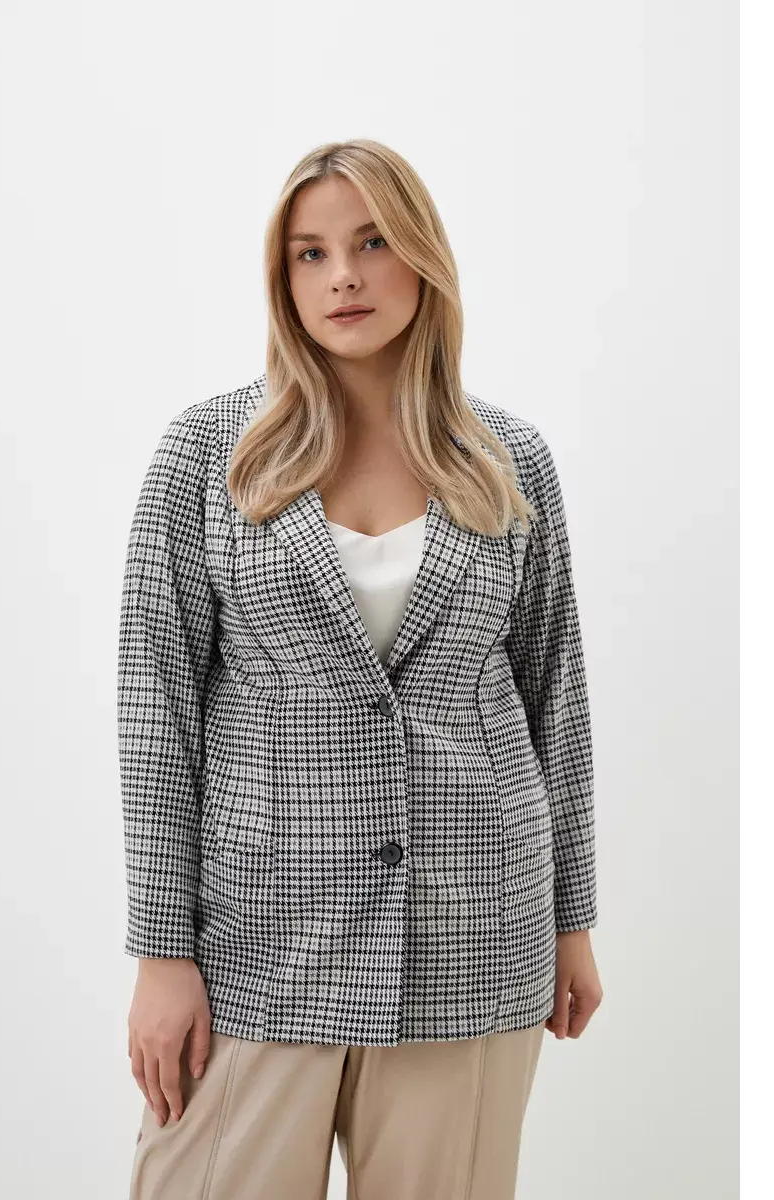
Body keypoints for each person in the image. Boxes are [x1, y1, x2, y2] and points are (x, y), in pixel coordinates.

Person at [118, 138, 603, 1200]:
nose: (343, 275)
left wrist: (572, 920)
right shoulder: (207, 455)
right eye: (311, 252)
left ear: (423, 255)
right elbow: (156, 715)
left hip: (474, 930)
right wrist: (161, 953)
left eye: (373, 242)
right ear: (283, 279)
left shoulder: (508, 461)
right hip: (256, 942)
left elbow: (554, 699)